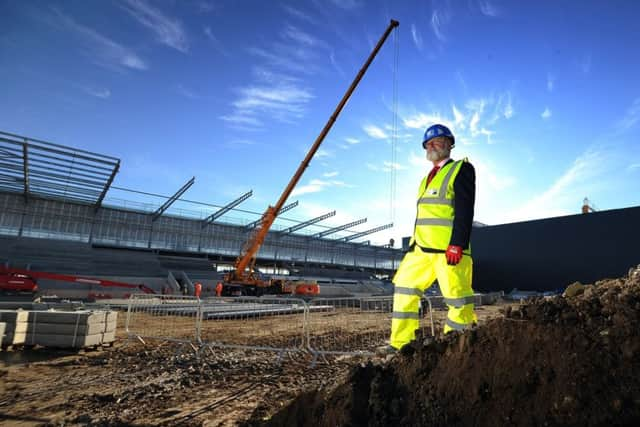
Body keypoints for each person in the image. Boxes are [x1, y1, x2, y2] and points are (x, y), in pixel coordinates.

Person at [387, 123, 477, 351]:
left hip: (449, 251)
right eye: (428, 143)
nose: (431, 146)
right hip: (420, 250)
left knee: (458, 300)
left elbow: (465, 210)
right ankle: (401, 345)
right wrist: (412, 245)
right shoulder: (425, 180)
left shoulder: (461, 169)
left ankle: (458, 346)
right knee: (404, 289)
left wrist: (457, 243)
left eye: (436, 141)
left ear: (449, 143)